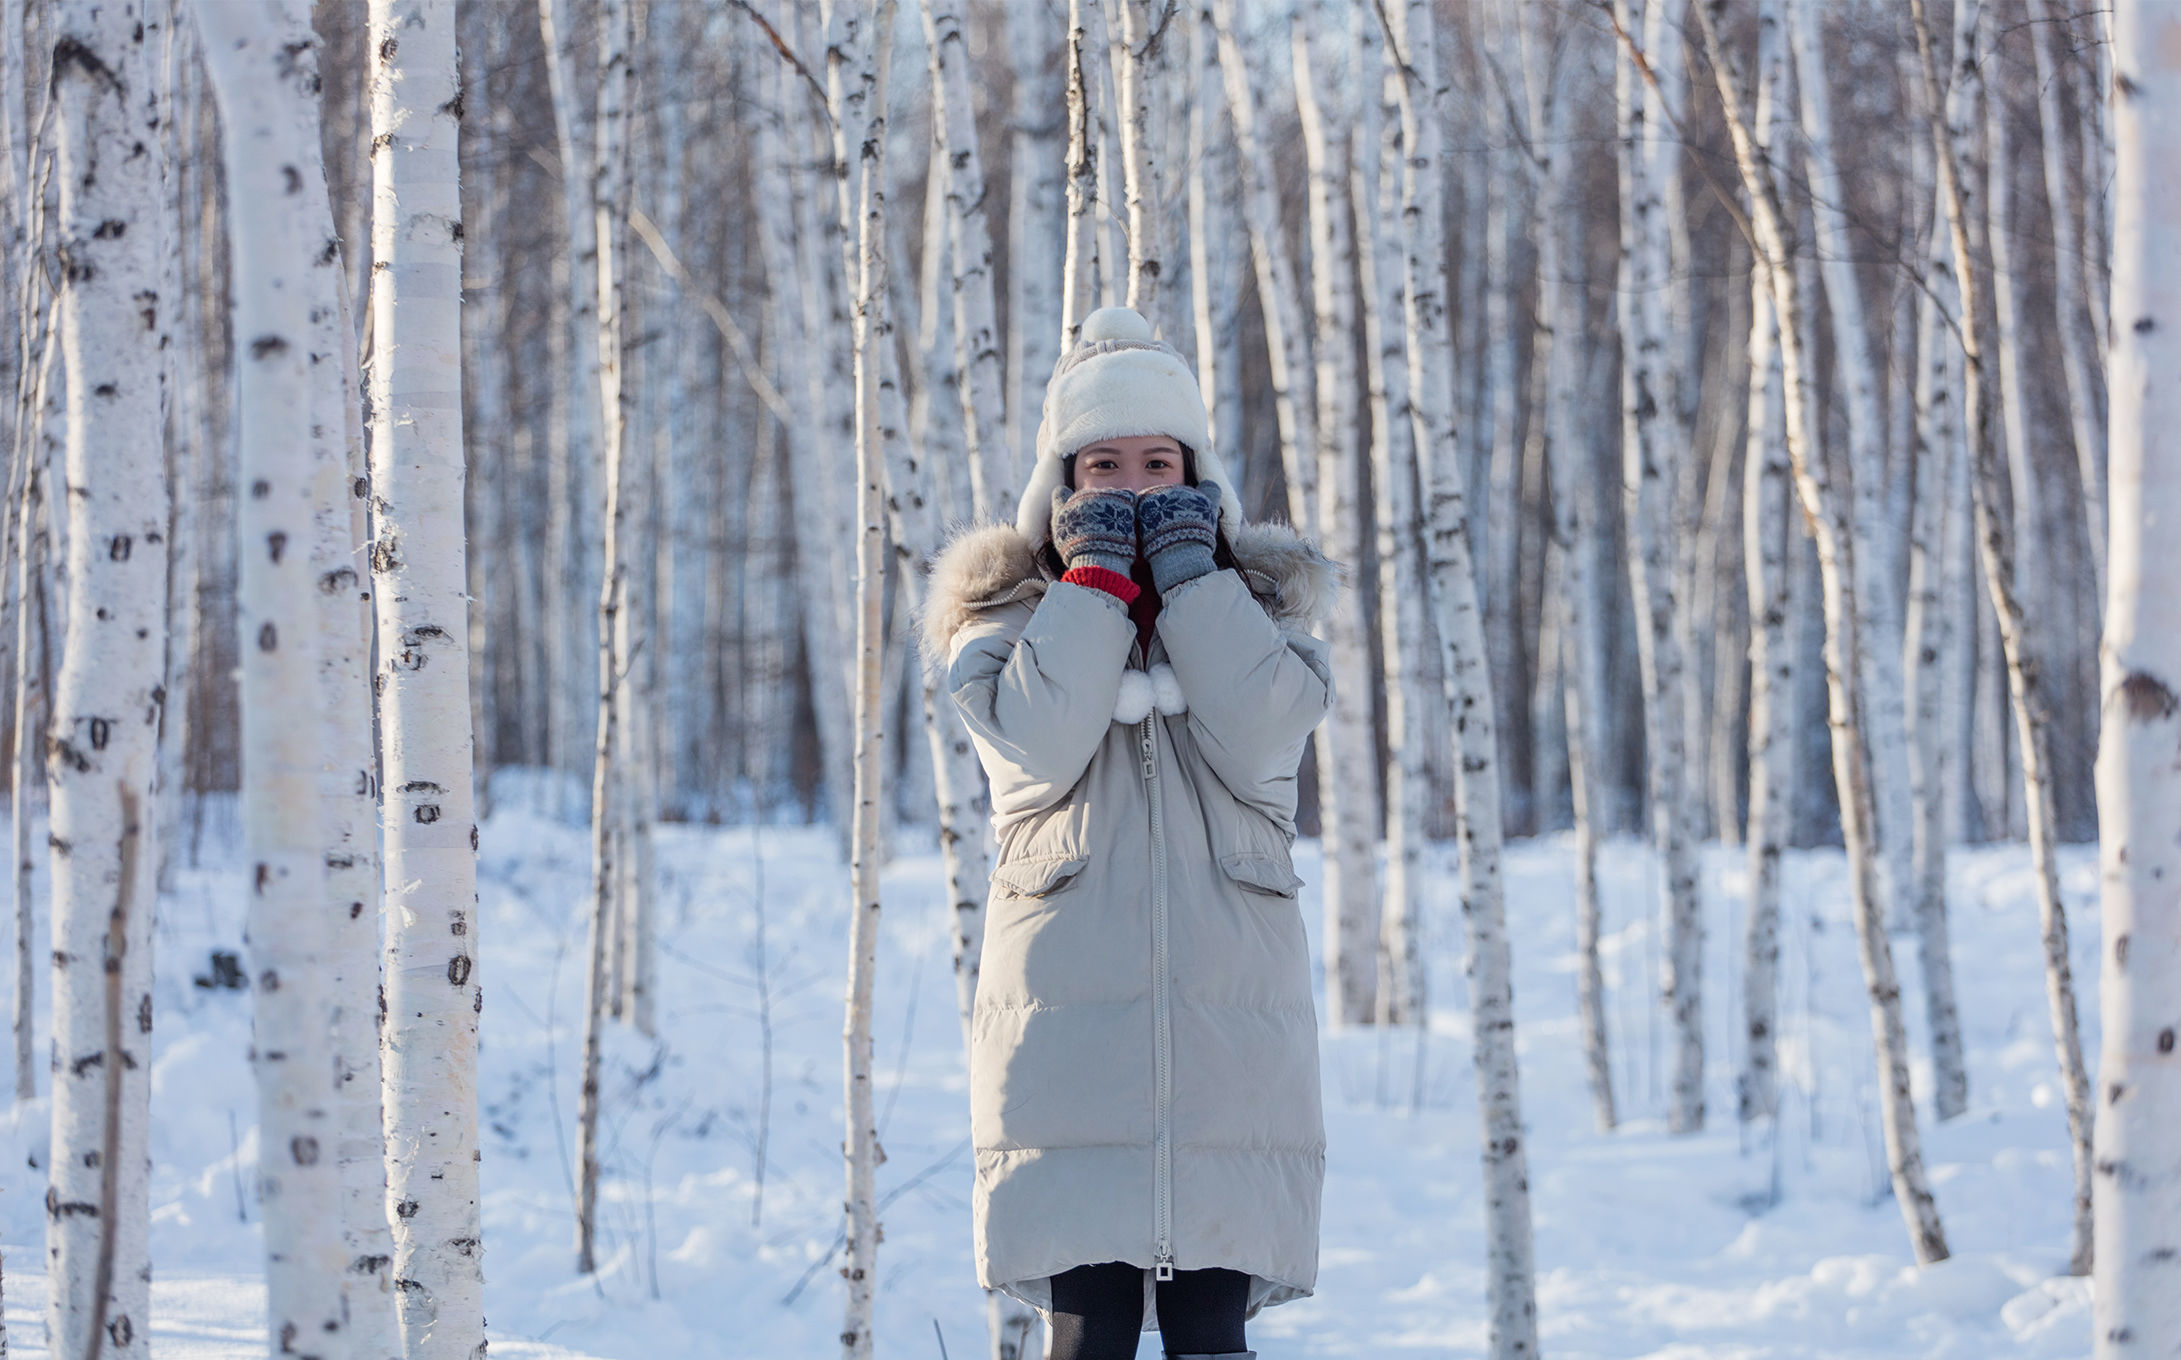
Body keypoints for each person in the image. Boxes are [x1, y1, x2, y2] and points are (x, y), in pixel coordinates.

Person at [919, 306, 1337, 1360]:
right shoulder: (1005, 626)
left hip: (1228, 1044)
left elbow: (1260, 728)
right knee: (1085, 1337)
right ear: (1063, 488)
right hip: (1064, 1042)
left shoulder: (1260, 620)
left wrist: (1194, 583)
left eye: (1160, 460)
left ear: (1198, 476)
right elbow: (1036, 745)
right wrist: (1097, 583)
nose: (1137, 485)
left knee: (1211, 1334)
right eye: (1105, 464)